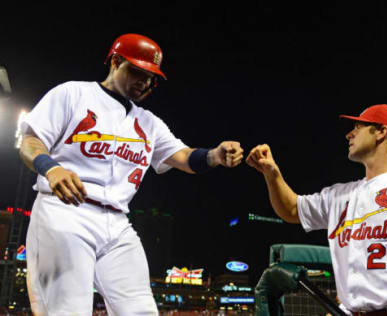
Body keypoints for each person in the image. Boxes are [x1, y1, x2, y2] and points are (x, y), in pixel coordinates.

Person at [19, 33, 243, 316]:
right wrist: (51, 167)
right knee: (67, 310)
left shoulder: (148, 122)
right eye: (139, 72)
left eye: (152, 77)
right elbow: (29, 141)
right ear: (115, 61)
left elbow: (185, 157)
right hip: (65, 211)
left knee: (141, 310)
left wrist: (215, 155)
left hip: (117, 222)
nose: (146, 82)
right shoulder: (72, 94)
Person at [246, 104, 387, 315]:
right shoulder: (339, 195)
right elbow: (292, 210)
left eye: (359, 126)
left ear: (381, 131)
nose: (349, 133)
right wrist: (272, 174)